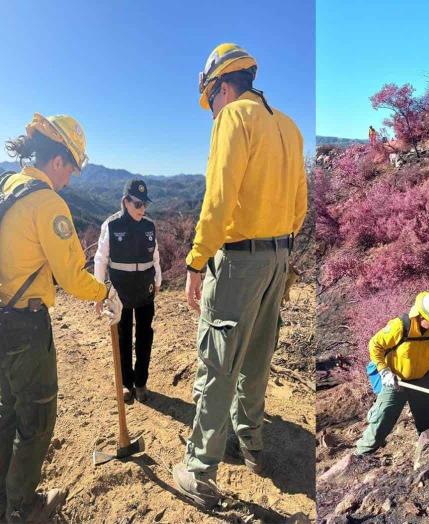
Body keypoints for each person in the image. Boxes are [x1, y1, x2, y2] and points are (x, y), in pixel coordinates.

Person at [172, 43, 308, 507]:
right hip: (279, 257)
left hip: (238, 260)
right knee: (256, 355)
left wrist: (195, 260)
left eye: (210, 99)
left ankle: (199, 471)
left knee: (217, 363)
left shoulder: (233, 119)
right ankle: (250, 443)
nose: (210, 111)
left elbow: (218, 199)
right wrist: (281, 255)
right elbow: (300, 207)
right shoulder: (288, 126)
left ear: (223, 87)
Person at [0, 114, 122, 523]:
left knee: (6, 411)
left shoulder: (9, 186)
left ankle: (4, 499)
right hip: (25, 324)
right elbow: (71, 277)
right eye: (71, 167)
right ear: (58, 160)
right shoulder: (48, 201)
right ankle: (20, 507)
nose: (70, 177)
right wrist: (105, 291)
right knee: (36, 414)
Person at [355, 292, 429, 455]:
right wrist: (384, 370)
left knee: (426, 416)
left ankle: (426, 449)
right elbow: (375, 345)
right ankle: (363, 453)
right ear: (421, 316)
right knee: (382, 417)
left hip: (422, 379)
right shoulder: (400, 326)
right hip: (395, 380)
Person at [94, 179, 162, 403]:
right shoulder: (111, 225)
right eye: (137, 204)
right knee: (122, 338)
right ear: (125, 202)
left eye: (145, 205)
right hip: (119, 291)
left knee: (144, 337)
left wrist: (158, 280)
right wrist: (98, 293)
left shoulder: (149, 226)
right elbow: (101, 258)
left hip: (145, 288)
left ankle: (141, 382)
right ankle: (125, 383)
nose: (142, 209)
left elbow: (155, 256)